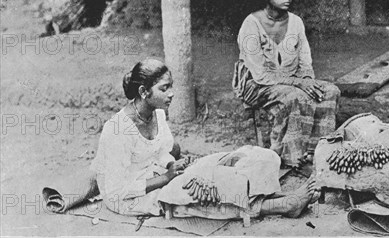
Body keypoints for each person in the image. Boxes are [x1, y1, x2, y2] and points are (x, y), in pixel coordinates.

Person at [91, 59, 319, 218]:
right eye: (164, 88)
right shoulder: (117, 130)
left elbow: (160, 151)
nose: (171, 93)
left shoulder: (157, 114)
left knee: (253, 157)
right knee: (206, 194)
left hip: (158, 176)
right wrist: (167, 178)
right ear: (143, 92)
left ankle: (269, 194)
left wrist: (173, 164)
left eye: (172, 86)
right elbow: (115, 191)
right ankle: (283, 205)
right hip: (131, 196)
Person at [233, 0, 340, 168]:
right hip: (258, 86)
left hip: (291, 81)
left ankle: (317, 154)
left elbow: (305, 61)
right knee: (296, 97)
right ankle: (291, 158)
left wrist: (307, 78)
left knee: (329, 91)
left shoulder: (296, 23)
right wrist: (299, 83)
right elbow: (261, 75)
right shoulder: (251, 24)